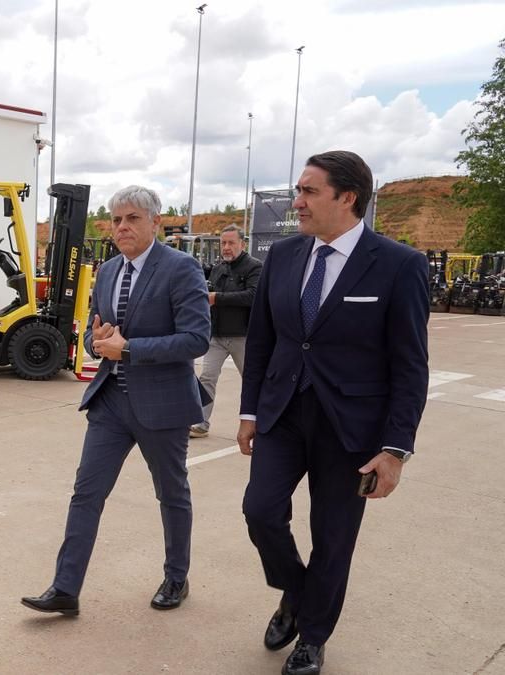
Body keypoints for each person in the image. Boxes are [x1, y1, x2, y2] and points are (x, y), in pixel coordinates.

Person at [238, 151, 428, 675]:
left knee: (333, 536)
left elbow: (410, 366)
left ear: (347, 197)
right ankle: (296, 592)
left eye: (309, 191)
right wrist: (250, 411)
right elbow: (262, 342)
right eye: (298, 191)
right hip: (283, 413)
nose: (297, 202)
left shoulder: (399, 265)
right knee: (260, 511)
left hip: (351, 430)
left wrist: (395, 450)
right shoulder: (284, 255)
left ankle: (313, 637)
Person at [22, 186, 211, 616]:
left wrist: (129, 349)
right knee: (86, 493)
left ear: (155, 222)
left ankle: (176, 577)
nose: (122, 227)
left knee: (171, 493)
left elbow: (196, 338)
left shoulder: (180, 268)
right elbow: (95, 336)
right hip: (110, 402)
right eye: (116, 219)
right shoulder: (107, 271)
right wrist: (97, 341)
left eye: (132, 219)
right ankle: (65, 588)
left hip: (161, 404)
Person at [190, 224, 262, 438]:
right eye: (223, 243)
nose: (227, 247)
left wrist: (216, 298)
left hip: (243, 336)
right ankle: (201, 423)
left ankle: (262, 423)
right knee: (207, 378)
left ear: (242, 244)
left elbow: (253, 296)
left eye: (231, 243)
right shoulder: (218, 268)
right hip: (217, 336)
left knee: (252, 381)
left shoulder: (255, 267)